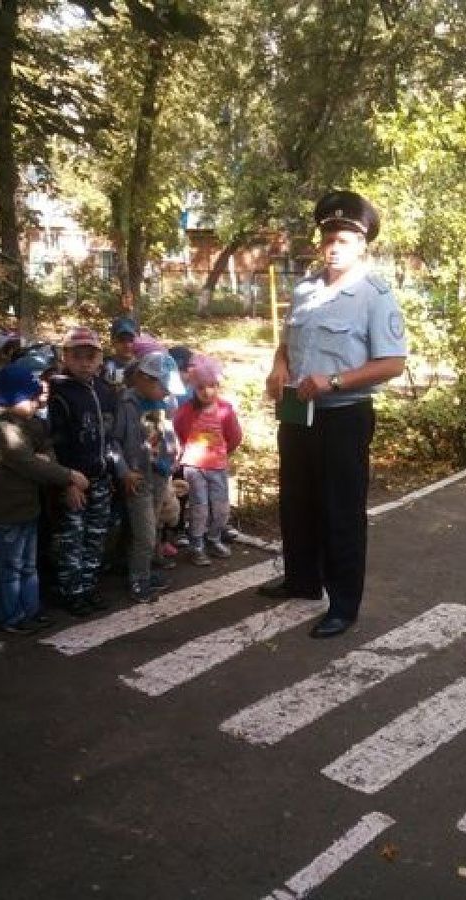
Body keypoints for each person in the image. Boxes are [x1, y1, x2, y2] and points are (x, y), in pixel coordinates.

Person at [262, 190, 407, 638]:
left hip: (344, 417)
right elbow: (287, 345)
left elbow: (393, 362)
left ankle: (343, 603)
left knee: (341, 511)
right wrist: (278, 368)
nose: (334, 245)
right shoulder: (305, 289)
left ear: (363, 244)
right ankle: (302, 580)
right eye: (329, 236)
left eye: (345, 238)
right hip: (297, 414)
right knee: (296, 502)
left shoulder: (374, 295)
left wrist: (336, 381)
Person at [0, 364, 89, 634]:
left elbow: (46, 450)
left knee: (28, 566)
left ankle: (31, 610)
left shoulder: (32, 424)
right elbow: (30, 463)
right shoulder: (4, 430)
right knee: (11, 568)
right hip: (6, 513)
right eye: (30, 397)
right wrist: (70, 476)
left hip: (28, 510)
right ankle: (13, 616)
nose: (37, 401)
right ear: (9, 399)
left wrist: (60, 474)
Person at [47, 326, 119, 617]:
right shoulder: (59, 394)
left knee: (95, 535)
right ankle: (71, 592)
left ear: (100, 358)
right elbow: (52, 443)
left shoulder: (104, 390)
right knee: (72, 539)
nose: (85, 362)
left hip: (101, 478)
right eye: (78, 356)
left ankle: (88, 587)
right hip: (74, 480)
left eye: (91, 356)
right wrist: (67, 482)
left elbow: (110, 436)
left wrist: (112, 472)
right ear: (66, 357)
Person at [111, 350, 183, 602]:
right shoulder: (127, 404)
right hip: (138, 478)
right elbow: (113, 442)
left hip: (159, 475)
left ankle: (141, 569)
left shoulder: (162, 403)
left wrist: (174, 451)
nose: (167, 391)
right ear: (143, 378)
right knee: (145, 532)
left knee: (149, 526)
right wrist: (124, 471)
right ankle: (138, 579)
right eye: (162, 386)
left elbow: (166, 434)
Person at [173, 354, 242, 566]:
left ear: (217, 385)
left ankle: (213, 538)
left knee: (221, 507)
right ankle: (197, 545)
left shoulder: (225, 410)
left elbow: (234, 436)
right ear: (194, 387)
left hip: (217, 466)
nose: (207, 391)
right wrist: (189, 453)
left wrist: (222, 452)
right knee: (199, 507)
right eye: (201, 387)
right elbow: (180, 431)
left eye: (212, 386)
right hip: (194, 467)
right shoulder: (185, 411)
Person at [101, 316, 139, 385]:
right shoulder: (102, 367)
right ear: (113, 342)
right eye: (121, 340)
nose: (127, 345)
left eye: (131, 340)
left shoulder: (145, 368)